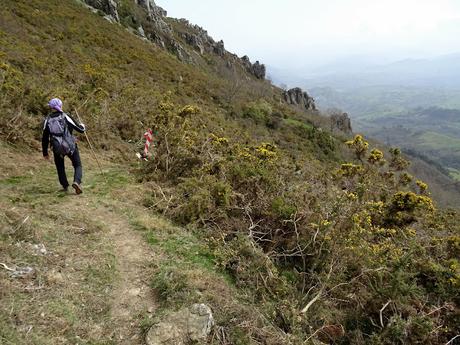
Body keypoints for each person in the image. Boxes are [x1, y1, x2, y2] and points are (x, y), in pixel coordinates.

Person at [42, 98, 86, 194]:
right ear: (60, 106)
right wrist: (82, 126)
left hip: (56, 147)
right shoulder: (65, 116)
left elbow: (45, 137)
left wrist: (45, 152)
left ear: (51, 107)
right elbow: (80, 130)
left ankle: (65, 185)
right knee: (77, 164)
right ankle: (76, 182)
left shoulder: (48, 120)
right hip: (70, 145)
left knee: (60, 166)